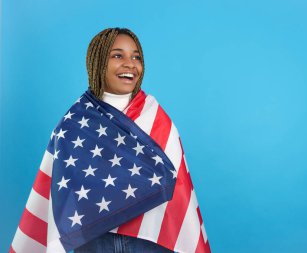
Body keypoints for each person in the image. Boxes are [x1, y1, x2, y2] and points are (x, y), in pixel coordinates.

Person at [10, 27, 211, 253]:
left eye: (136, 57)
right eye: (118, 55)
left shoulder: (157, 119)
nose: (130, 63)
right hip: (94, 240)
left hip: (150, 241)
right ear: (97, 63)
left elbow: (176, 191)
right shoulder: (75, 123)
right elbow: (62, 195)